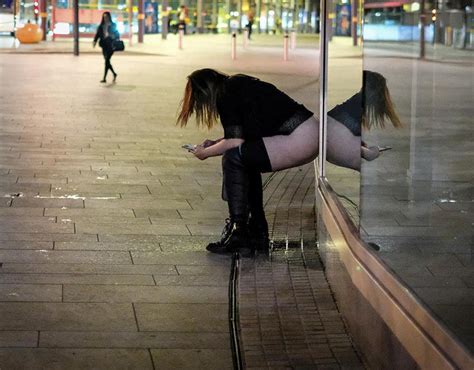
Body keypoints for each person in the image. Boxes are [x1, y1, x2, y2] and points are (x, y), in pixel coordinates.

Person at [177, 68, 367, 254]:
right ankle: (256, 233)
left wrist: (206, 153)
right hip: (306, 133)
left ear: (204, 91)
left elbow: (235, 141)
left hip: (299, 137)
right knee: (245, 158)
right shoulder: (237, 85)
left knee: (234, 158)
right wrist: (214, 144)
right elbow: (241, 137)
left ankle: (241, 234)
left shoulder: (226, 94)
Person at [328, 70, 402, 161]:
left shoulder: (347, 110)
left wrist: (356, 143)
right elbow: (339, 143)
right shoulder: (350, 117)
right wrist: (370, 152)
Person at [93, 12, 119, 83]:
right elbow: (97, 35)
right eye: (104, 17)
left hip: (111, 45)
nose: (105, 18)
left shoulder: (113, 25)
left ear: (109, 17)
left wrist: (113, 36)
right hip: (104, 45)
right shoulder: (101, 26)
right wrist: (94, 41)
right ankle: (114, 73)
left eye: (107, 17)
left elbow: (117, 35)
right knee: (107, 61)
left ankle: (104, 78)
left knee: (107, 60)